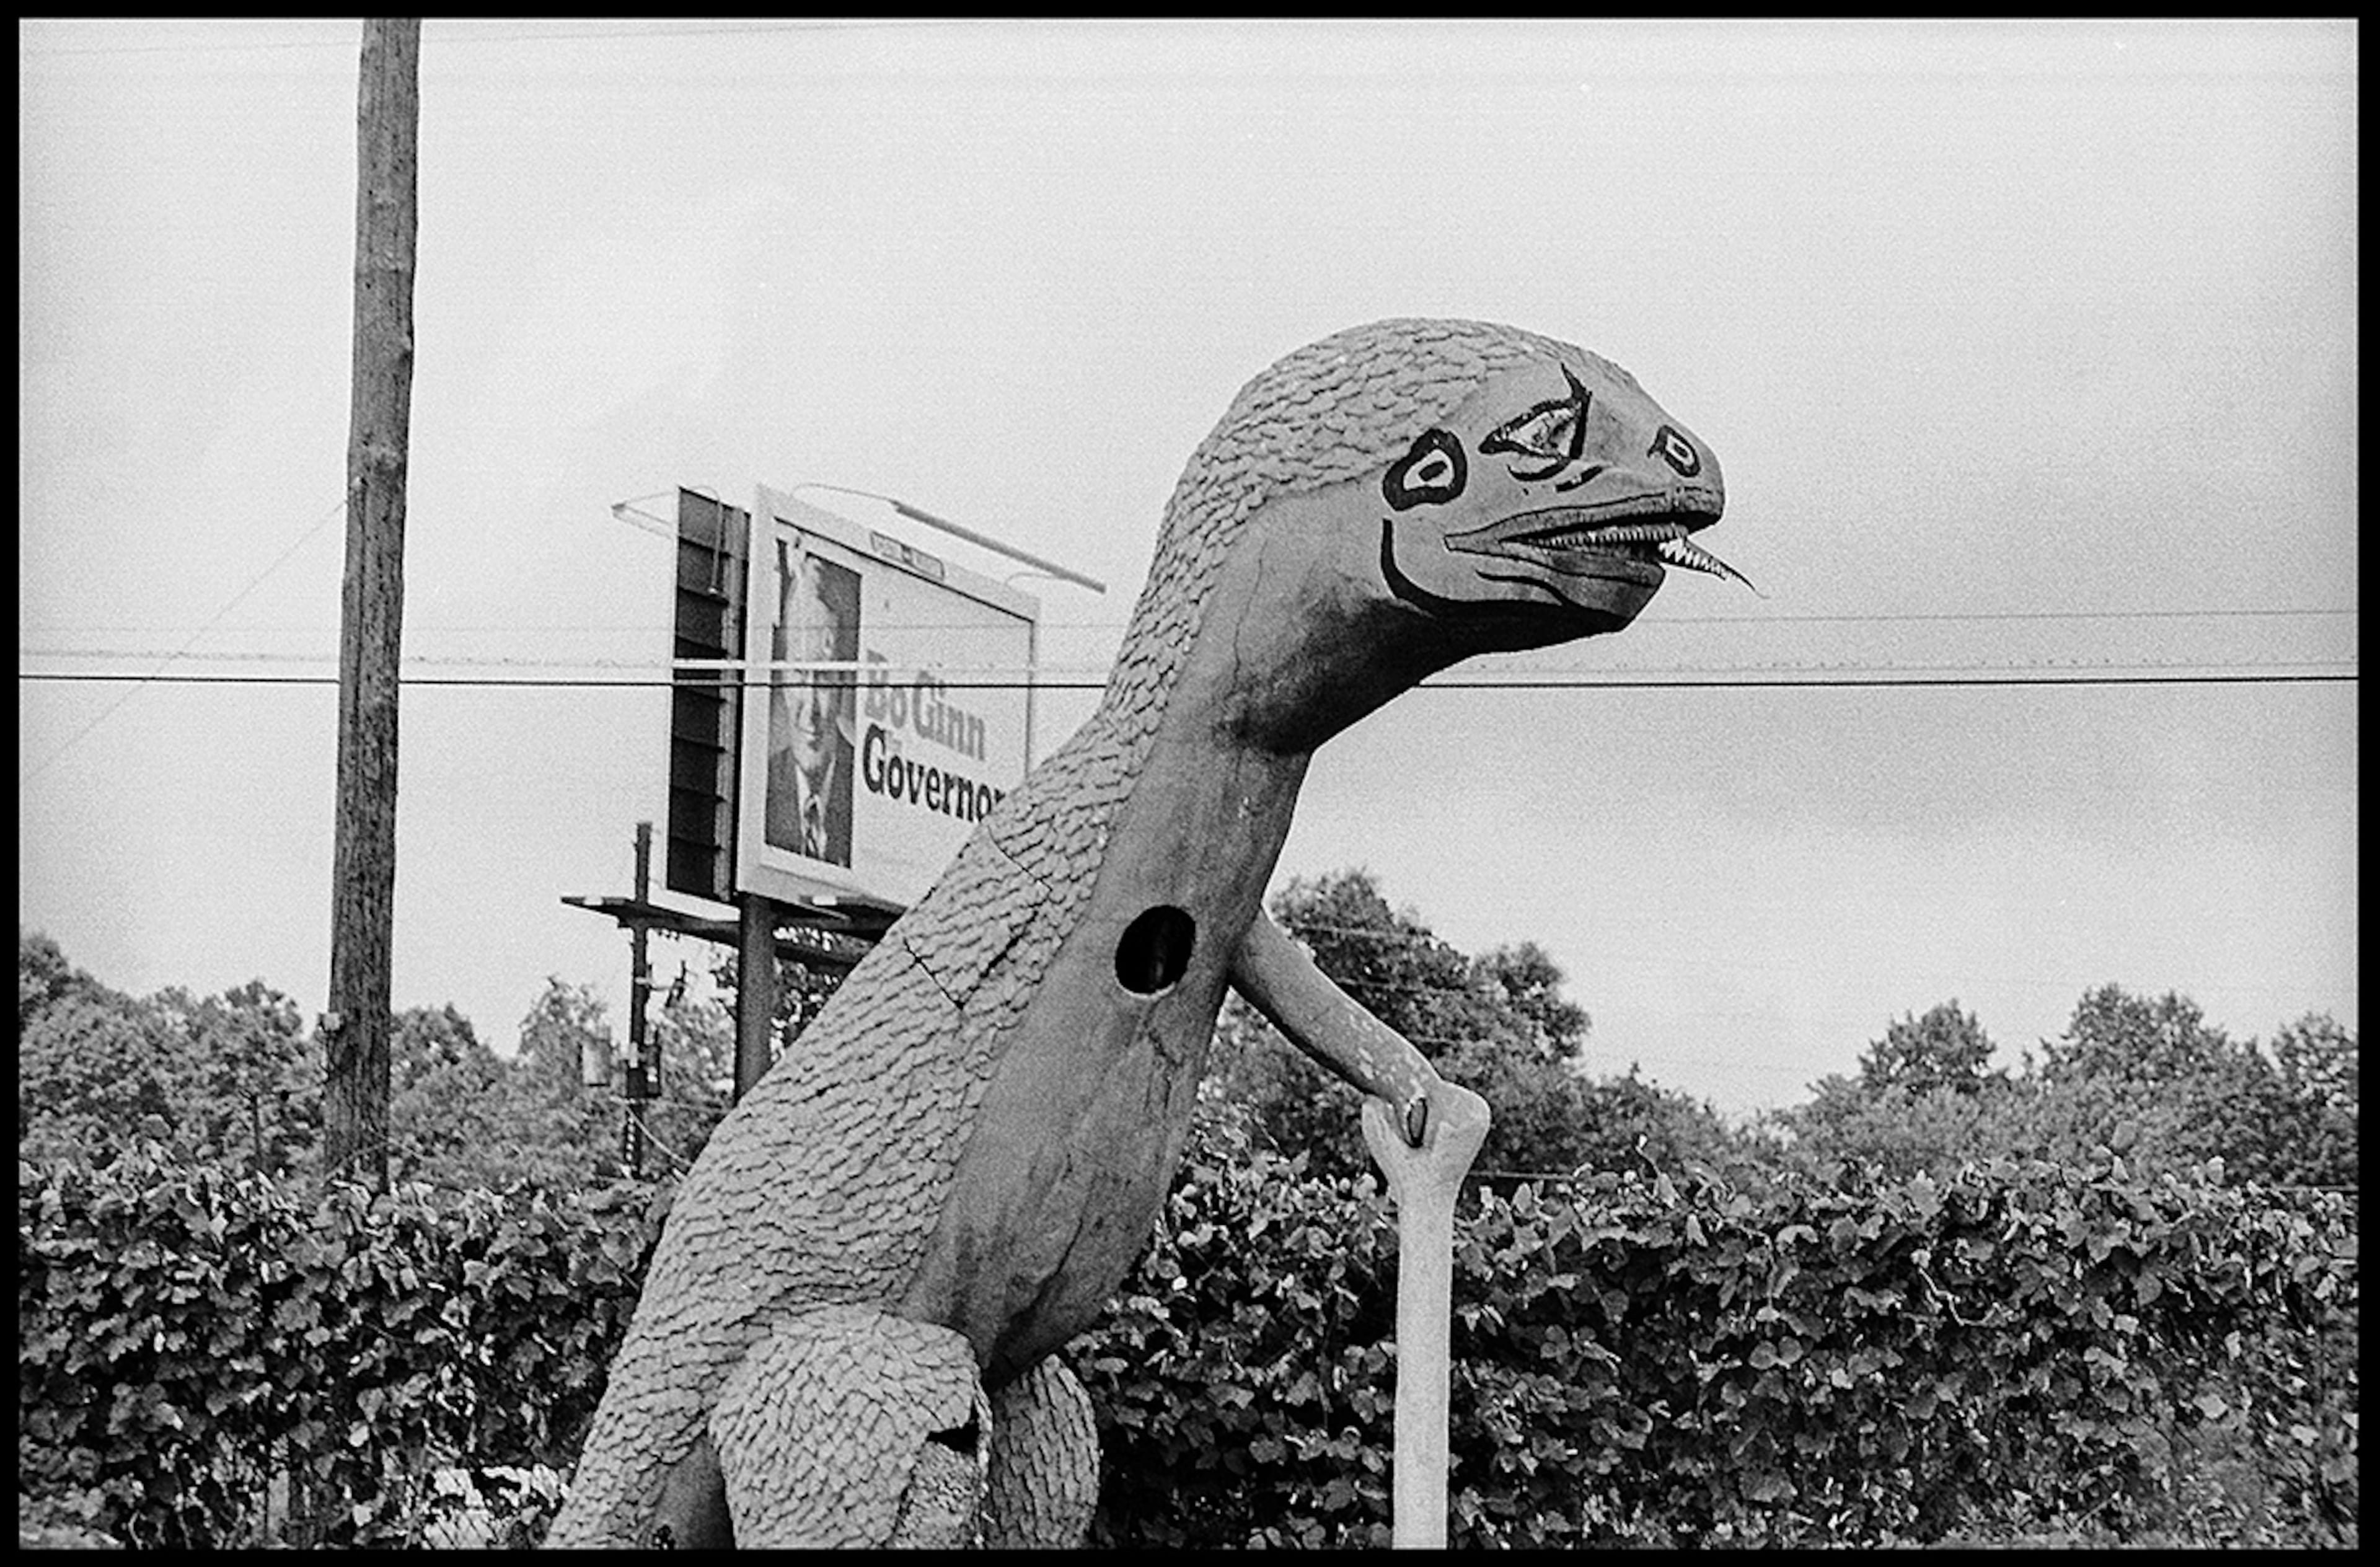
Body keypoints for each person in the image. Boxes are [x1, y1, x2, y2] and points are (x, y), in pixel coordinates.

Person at [765, 542, 860, 866]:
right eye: (798, 674)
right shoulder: (758, 790)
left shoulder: (867, 789)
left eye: (824, 679)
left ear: (847, 681)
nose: (811, 713)